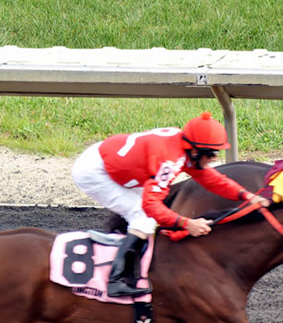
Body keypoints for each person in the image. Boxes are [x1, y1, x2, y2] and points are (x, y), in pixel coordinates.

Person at [70, 113, 260, 306]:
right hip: (95, 172)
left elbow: (211, 180)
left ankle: (130, 258)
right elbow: (151, 205)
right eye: (211, 154)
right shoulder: (169, 162)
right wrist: (188, 224)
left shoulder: (183, 146)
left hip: (113, 161)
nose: (213, 159)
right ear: (194, 151)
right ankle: (115, 280)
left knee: (144, 219)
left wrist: (245, 195)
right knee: (143, 218)